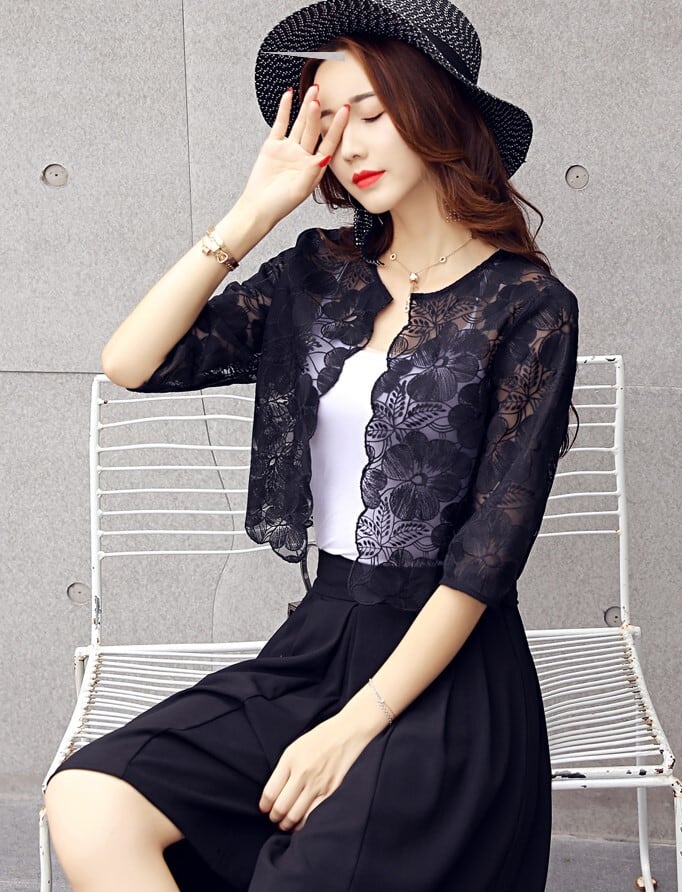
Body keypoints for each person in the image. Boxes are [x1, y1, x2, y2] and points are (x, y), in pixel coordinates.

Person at [43, 1, 579, 890]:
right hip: (319, 641)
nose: (349, 144)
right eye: (328, 122)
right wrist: (255, 210)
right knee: (89, 800)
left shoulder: (527, 306)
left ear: (437, 112)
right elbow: (133, 362)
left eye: (371, 113)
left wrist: (353, 727)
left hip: (449, 671)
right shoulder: (317, 275)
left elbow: (487, 558)